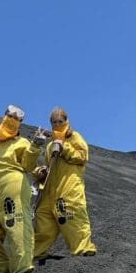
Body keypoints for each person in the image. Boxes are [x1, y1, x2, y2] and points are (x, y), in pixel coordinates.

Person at [0, 105, 46, 273]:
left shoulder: (21, 143)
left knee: (17, 225)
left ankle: (23, 269)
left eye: (16, 119)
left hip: (13, 185)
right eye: (9, 116)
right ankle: (1, 268)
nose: (11, 120)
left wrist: (35, 144)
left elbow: (28, 165)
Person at [33, 107, 96, 259]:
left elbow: (82, 156)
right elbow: (50, 165)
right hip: (50, 189)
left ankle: (83, 249)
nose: (57, 124)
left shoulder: (74, 137)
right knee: (43, 219)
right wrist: (40, 173)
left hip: (69, 186)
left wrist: (64, 147)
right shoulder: (49, 145)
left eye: (60, 121)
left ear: (66, 121)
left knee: (72, 217)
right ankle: (37, 253)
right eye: (54, 122)